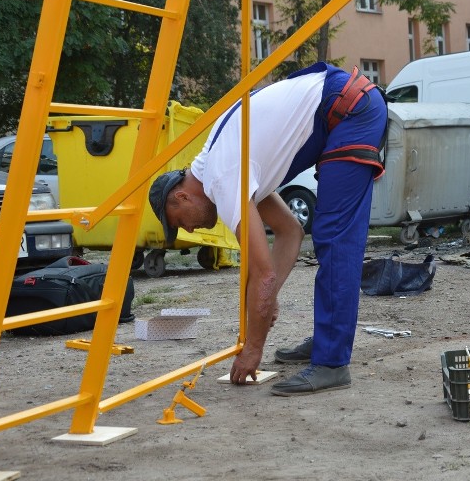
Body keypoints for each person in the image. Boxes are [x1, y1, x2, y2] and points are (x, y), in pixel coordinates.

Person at [149, 62, 387, 396]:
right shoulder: (226, 165)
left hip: (348, 110)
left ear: (181, 196)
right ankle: (327, 340)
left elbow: (263, 275)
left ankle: (332, 363)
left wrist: (253, 349)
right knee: (326, 235)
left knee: (335, 238)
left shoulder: (222, 176)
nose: (190, 229)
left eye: (180, 222)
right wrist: (267, 298)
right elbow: (290, 231)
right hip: (341, 107)